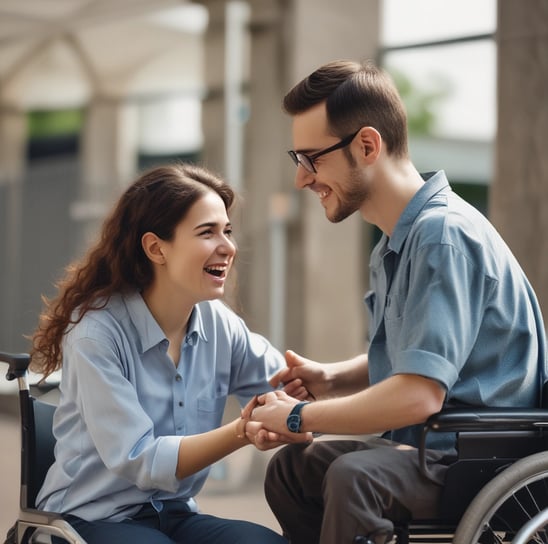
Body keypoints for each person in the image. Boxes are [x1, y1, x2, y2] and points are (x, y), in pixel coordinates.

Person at [250, 59, 547, 544]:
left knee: (355, 479)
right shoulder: (396, 241)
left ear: (367, 146)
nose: (302, 180)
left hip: (478, 457)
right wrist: (330, 378)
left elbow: (418, 393)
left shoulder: (442, 236)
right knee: (293, 468)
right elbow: (420, 355)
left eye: (312, 159)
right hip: (433, 446)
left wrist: (299, 415)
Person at [30, 162, 309, 544]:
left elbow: (292, 391)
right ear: (156, 248)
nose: (228, 247)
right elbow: (140, 458)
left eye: (227, 230)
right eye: (207, 232)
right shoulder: (96, 333)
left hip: (174, 515)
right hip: (87, 519)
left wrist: (321, 396)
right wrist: (241, 432)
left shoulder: (218, 324)